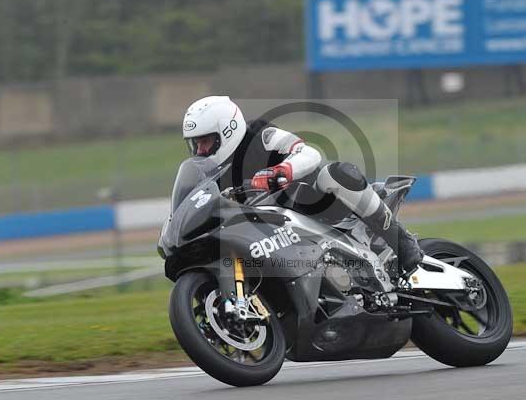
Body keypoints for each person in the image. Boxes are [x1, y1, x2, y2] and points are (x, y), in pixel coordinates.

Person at [181, 95, 424, 276]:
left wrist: (281, 171)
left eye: (205, 142)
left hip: (320, 208)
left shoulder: (260, 135)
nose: (201, 151)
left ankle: (400, 241)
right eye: (196, 144)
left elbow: (308, 153)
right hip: (274, 235)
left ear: (228, 129)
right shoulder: (212, 174)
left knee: (335, 173)